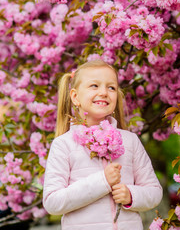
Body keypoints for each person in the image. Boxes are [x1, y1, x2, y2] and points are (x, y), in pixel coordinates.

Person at [43, 60, 163, 230]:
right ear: (75, 97)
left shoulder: (130, 141)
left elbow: (154, 192)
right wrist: (102, 181)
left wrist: (131, 195)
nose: (104, 92)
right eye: (94, 85)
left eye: (111, 87)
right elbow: (52, 202)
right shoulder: (63, 145)